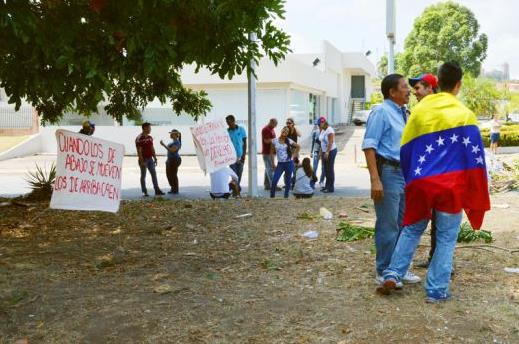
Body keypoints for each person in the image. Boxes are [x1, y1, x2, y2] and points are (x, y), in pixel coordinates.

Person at [377, 62, 491, 303]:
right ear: (458, 85)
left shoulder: (419, 111)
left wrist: (412, 179)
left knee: (411, 228)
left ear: (437, 81)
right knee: (447, 238)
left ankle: (393, 272)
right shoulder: (465, 115)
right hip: (450, 186)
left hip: (422, 181)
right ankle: (437, 290)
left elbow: (406, 149)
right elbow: (475, 158)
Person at [362, 74, 421, 287]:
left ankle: (398, 269)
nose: (410, 90)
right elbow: (369, 146)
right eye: (405, 87)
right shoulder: (381, 112)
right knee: (388, 225)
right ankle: (384, 269)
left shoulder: (405, 113)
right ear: (392, 92)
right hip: (389, 172)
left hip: (406, 174)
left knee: (404, 223)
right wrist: (375, 180)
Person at [409, 73, 439, 269]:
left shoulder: (439, 111)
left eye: (418, 88)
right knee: (426, 218)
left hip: (438, 173)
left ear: (430, 88)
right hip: (424, 174)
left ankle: (441, 262)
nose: (415, 92)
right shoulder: (419, 110)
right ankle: (434, 259)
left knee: (440, 221)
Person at [135, 122, 164, 197]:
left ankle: (157, 190)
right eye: (149, 128)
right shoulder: (139, 138)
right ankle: (144, 191)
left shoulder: (150, 138)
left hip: (150, 159)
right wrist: (141, 161)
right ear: (144, 128)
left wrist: (155, 157)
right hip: (143, 159)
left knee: (154, 174)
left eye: (150, 128)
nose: (150, 129)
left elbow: (152, 148)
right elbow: (139, 151)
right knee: (143, 175)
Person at [270, 126, 300, 198]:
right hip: (280, 164)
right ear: (281, 130)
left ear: (287, 134)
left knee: (288, 182)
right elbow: (272, 152)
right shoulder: (274, 140)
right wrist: (273, 163)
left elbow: (298, 146)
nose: (285, 131)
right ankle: (272, 197)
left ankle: (286, 197)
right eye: (284, 130)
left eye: (287, 131)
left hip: (289, 163)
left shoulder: (289, 140)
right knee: (274, 181)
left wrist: (294, 156)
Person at [226, 115, 247, 189]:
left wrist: (244, 154)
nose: (228, 124)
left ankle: (236, 188)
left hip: (240, 156)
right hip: (231, 157)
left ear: (233, 121)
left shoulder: (241, 129)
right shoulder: (227, 132)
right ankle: (236, 190)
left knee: (239, 174)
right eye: (227, 123)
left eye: (229, 122)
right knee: (234, 175)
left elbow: (244, 143)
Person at [318, 117, 337, 193]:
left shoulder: (330, 130)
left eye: (319, 124)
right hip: (324, 151)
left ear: (323, 122)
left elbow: (330, 142)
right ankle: (326, 186)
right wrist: (321, 152)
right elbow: (321, 141)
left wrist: (327, 152)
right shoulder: (323, 130)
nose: (319, 125)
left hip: (331, 151)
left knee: (330, 169)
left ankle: (331, 187)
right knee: (325, 169)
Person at [160, 129, 182, 194]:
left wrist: (163, 145)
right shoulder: (172, 142)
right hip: (169, 160)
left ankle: (175, 189)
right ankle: (173, 188)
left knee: (173, 175)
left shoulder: (177, 142)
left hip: (174, 160)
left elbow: (172, 150)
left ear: (175, 135)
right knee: (169, 175)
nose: (170, 134)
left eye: (172, 133)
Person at [261, 118, 278, 190]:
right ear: (271, 122)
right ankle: (273, 185)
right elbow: (266, 141)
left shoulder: (271, 129)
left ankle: (267, 185)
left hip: (271, 152)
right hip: (267, 152)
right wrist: (275, 140)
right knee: (270, 168)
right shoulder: (266, 129)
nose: (275, 127)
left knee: (268, 168)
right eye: (274, 125)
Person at [310, 119, 325, 188]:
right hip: (316, 151)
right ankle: (312, 182)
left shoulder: (326, 132)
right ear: (318, 124)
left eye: (323, 122)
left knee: (323, 167)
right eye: (321, 123)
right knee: (314, 167)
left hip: (323, 152)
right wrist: (311, 152)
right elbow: (313, 142)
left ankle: (321, 181)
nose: (322, 124)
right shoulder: (315, 132)